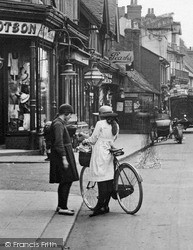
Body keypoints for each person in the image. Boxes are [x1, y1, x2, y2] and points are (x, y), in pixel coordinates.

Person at [82, 105, 119, 217]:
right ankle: (106, 205)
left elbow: (93, 139)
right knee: (108, 179)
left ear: (101, 116)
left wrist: (85, 141)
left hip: (100, 153)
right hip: (109, 151)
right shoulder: (116, 124)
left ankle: (99, 207)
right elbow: (114, 138)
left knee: (101, 179)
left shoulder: (100, 124)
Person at [49, 104, 79, 215]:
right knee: (66, 180)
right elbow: (58, 142)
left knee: (65, 180)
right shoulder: (58, 124)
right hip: (63, 154)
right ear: (65, 113)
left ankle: (60, 205)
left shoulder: (59, 123)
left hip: (64, 153)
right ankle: (63, 207)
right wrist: (64, 158)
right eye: (69, 115)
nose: (70, 117)